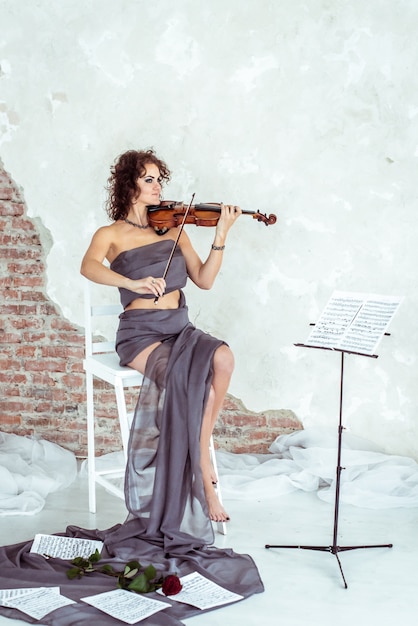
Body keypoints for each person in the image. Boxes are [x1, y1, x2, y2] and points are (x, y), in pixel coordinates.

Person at [80, 148, 241, 528]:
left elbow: (204, 280)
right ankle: (203, 466)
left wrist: (220, 235)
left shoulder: (175, 228)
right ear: (128, 186)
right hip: (140, 334)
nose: (158, 187)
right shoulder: (110, 234)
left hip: (178, 326)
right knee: (188, 381)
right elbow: (87, 267)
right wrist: (131, 282)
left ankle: (200, 450)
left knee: (224, 359)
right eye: (148, 180)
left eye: (159, 180)